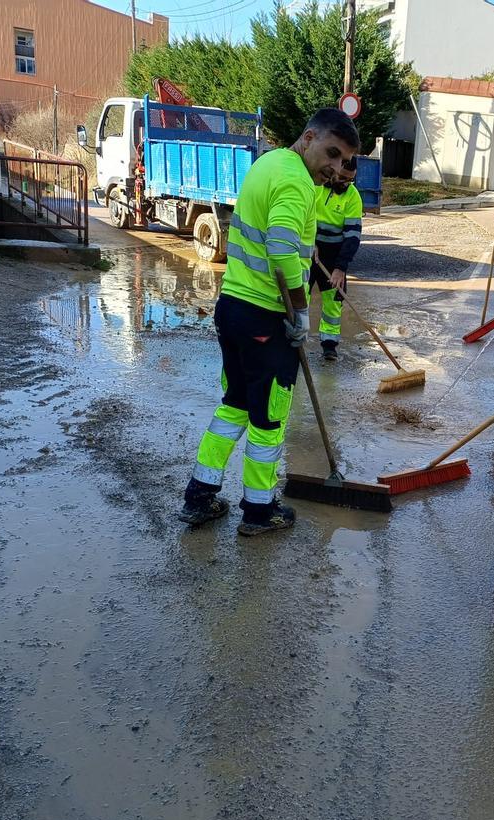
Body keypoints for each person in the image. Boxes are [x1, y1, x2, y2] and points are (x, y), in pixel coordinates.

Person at [179, 109, 360, 536]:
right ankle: (259, 511)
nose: (334, 168)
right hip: (265, 317)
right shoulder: (296, 181)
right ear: (308, 137)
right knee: (268, 418)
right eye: (331, 154)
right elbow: (280, 249)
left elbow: (275, 239)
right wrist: (298, 311)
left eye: (342, 161)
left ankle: (199, 495)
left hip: (234, 307)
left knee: (235, 405)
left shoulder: (269, 162)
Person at [311, 156, 363, 361]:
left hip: (334, 255)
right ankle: (291, 342)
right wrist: (309, 242)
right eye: (342, 178)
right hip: (309, 249)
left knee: (333, 300)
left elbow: (352, 236)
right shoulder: (315, 187)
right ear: (333, 171)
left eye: (350, 180)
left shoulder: (352, 197)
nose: (346, 184)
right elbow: (303, 217)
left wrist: (340, 268)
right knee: (299, 295)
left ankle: (329, 344)